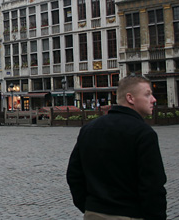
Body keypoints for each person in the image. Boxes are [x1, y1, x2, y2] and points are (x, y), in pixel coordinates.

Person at [67, 75, 167, 219]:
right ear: (130, 98)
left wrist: (90, 206)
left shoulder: (89, 129)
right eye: (147, 94)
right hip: (131, 214)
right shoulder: (143, 133)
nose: (153, 99)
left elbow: (74, 175)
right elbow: (153, 186)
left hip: (94, 214)